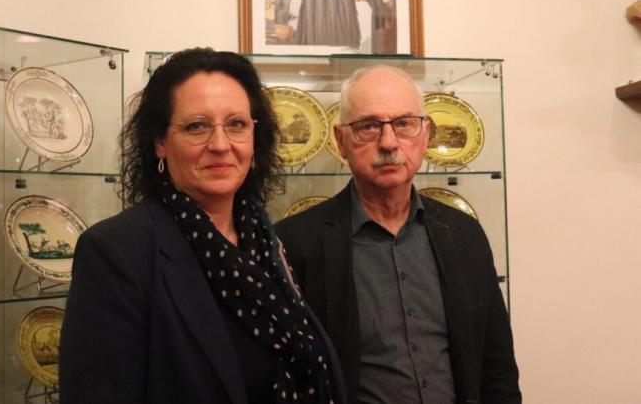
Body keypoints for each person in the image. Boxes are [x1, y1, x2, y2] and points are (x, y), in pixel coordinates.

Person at [60, 48, 346, 404]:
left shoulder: (266, 240)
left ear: (256, 136)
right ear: (160, 142)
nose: (221, 144)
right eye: (197, 126)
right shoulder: (117, 251)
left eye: (237, 124)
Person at [275, 65, 521, 404]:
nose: (389, 142)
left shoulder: (464, 234)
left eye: (404, 124)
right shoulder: (294, 244)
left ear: (425, 134)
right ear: (340, 140)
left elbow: (497, 369)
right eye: (368, 126)